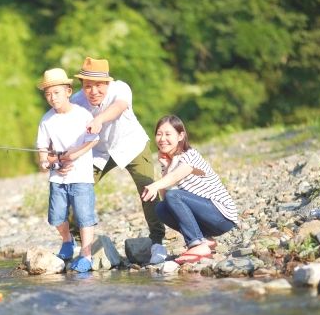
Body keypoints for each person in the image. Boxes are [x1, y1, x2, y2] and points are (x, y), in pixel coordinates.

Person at [66, 56, 165, 246]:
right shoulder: (77, 102)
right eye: (88, 86)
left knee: (148, 189)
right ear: (82, 85)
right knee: (77, 190)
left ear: (107, 82)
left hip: (131, 145)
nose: (94, 91)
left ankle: (158, 239)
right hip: (98, 153)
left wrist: (99, 120)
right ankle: (77, 240)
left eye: (99, 85)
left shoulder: (120, 88)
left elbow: (119, 107)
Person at [141, 115, 238, 264]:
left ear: (180, 136)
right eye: (159, 134)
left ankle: (197, 244)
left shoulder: (189, 155)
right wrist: (165, 168)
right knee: (161, 208)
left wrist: (155, 184)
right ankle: (205, 239)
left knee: (174, 196)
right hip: (207, 217)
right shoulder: (169, 160)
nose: (162, 139)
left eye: (168, 134)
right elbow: (166, 195)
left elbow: (176, 176)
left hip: (222, 216)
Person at [35, 68, 100, 272]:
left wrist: (74, 154)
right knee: (56, 216)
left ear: (68, 92)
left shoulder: (83, 115)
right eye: (48, 94)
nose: (52, 98)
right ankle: (67, 241)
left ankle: (87, 255)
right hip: (57, 179)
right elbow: (42, 152)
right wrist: (52, 164)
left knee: (84, 216)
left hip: (81, 177)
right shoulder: (46, 120)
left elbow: (93, 140)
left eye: (56, 93)